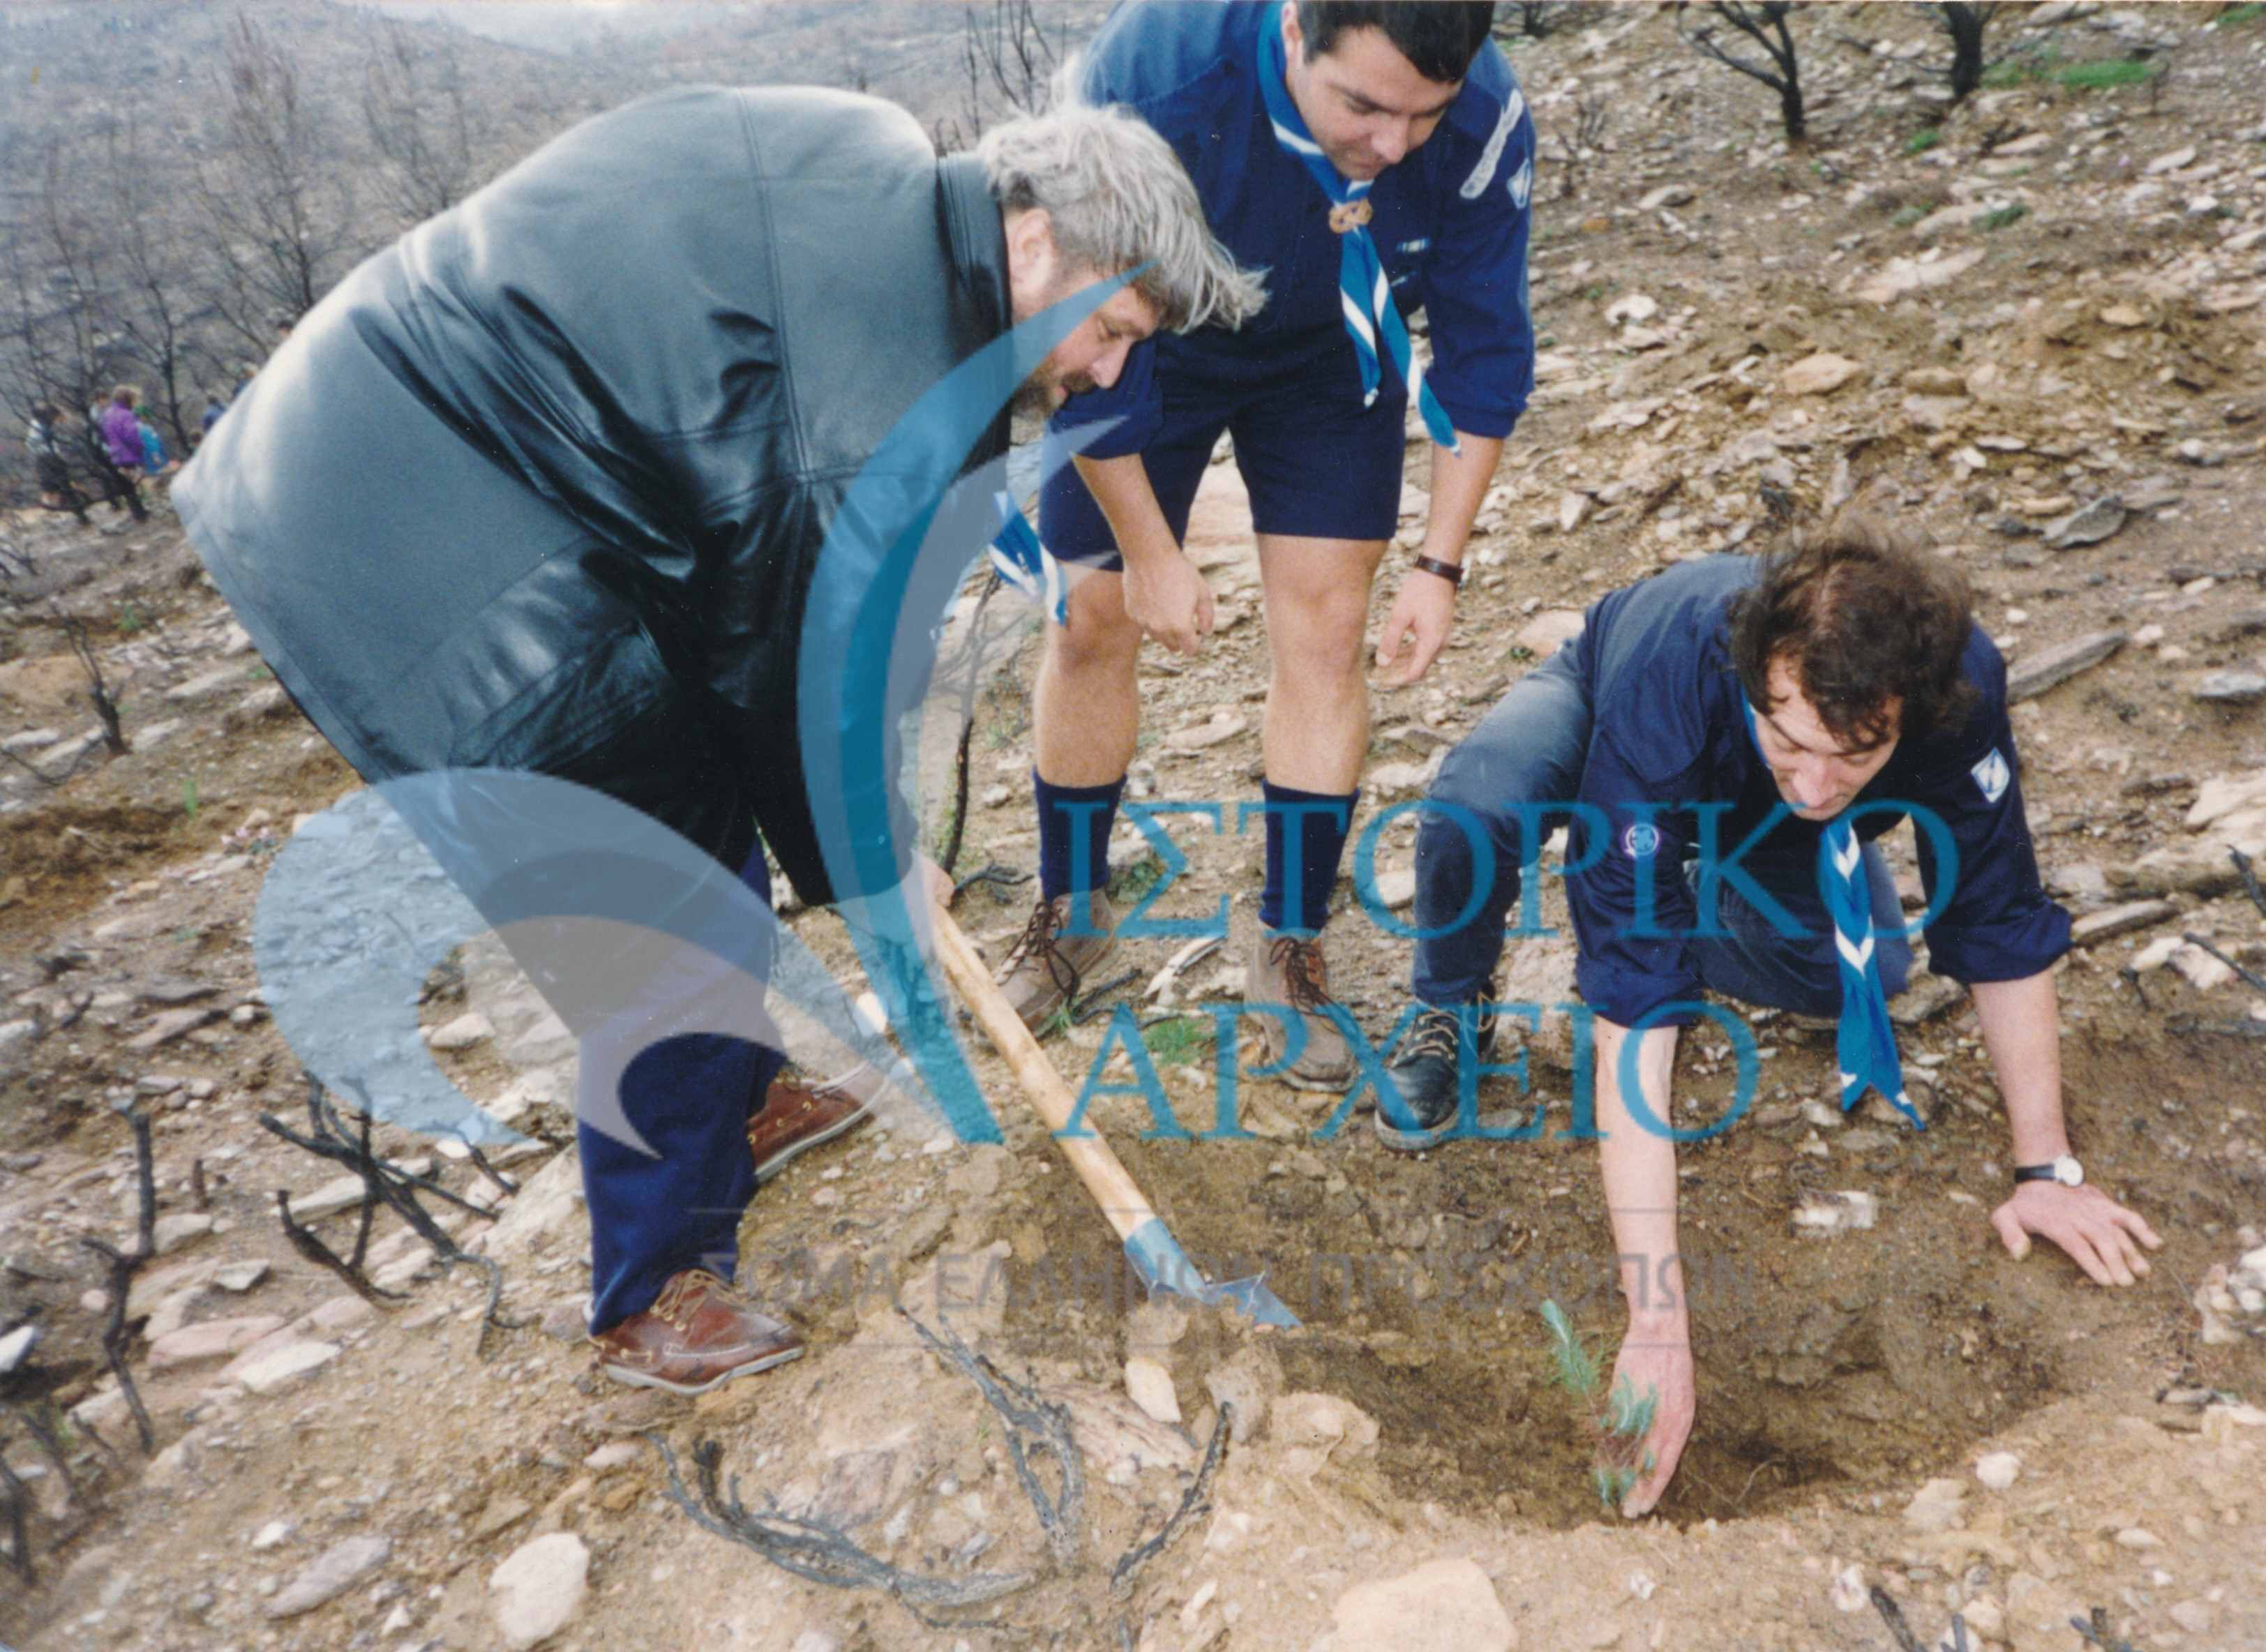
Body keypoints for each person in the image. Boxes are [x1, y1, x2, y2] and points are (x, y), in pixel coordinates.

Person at [176, 86, 1261, 1397]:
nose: (1105, 373)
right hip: (398, 525)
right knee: (653, 866)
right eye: (1108, 331)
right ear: (1033, 239)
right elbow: (796, 671)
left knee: (702, 794)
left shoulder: (883, 165)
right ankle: (655, 1281)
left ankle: (739, 1099)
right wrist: (875, 865)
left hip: (454, 452)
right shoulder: (870, 400)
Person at [1381, 521, 2163, 1515]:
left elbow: (2000, 920)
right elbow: (1634, 1014)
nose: (1816, 779)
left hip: (1739, 808)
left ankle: (1657, 881)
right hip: (1620, 714)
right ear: (1757, 677)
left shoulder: (1955, 691)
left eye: (1855, 754)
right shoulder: (1676, 673)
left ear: (1906, 715)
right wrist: (1656, 1325)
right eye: (1791, 738)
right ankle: (1453, 1000)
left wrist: (2045, 1170)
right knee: (1478, 807)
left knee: (1871, 969)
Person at [996, 1, 1535, 1095]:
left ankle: (1288, 941)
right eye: (1364, 107)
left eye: (1421, 117)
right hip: (1142, 343)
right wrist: (1153, 554)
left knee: (1329, 627)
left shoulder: (1483, 120)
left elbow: (1484, 346)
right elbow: (1072, 331)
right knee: (1090, 613)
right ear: (1295, 32)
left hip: (1335, 355)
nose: (1391, 148)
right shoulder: (1150, 77)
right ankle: (1074, 912)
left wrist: (1439, 562)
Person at [26, 403, 91, 525]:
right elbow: (49, 439)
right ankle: (56, 511)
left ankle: (52, 512)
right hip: (48, 456)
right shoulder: (42, 425)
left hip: (42, 457)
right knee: (58, 485)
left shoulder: (35, 424)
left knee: (49, 487)